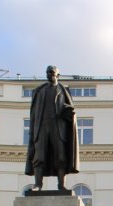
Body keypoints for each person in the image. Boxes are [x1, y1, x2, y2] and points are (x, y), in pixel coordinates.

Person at [25, 64, 80, 192]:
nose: (49, 74)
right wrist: (33, 132)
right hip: (42, 128)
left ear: (58, 75)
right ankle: (38, 185)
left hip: (58, 129)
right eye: (48, 72)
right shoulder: (39, 91)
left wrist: (68, 112)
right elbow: (33, 115)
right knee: (39, 157)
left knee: (61, 157)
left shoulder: (63, 90)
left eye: (52, 72)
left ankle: (61, 185)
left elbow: (70, 110)